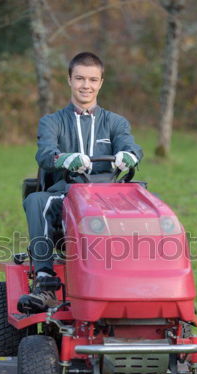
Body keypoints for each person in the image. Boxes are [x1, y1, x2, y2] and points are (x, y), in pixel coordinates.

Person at [18, 52, 143, 313]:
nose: (86, 85)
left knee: (145, 201)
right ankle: (45, 282)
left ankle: (144, 281)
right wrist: (64, 159)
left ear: (101, 83)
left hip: (108, 196)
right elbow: (44, 153)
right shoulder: (52, 122)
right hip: (66, 193)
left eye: (92, 79)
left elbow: (131, 147)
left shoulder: (116, 122)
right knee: (36, 200)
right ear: (69, 80)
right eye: (80, 79)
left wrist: (129, 156)